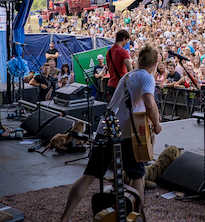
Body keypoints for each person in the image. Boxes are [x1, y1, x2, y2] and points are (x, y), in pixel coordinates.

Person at [60, 43, 162, 222]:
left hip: (105, 127)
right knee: (138, 175)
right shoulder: (147, 77)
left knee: (89, 175)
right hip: (126, 132)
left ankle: (65, 217)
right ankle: (139, 215)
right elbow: (149, 103)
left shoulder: (127, 76)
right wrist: (157, 124)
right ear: (155, 63)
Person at [107, 29, 133, 96]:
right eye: (127, 41)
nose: (126, 43)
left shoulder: (109, 52)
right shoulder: (123, 52)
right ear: (124, 39)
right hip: (120, 84)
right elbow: (130, 70)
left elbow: (109, 68)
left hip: (111, 84)